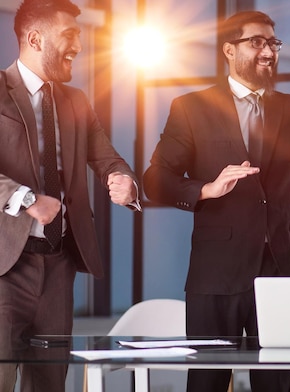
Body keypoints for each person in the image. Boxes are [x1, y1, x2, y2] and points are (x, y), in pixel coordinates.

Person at [143, 10, 290, 392]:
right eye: (256, 42)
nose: (268, 51)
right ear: (229, 49)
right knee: (207, 382)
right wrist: (206, 189)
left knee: (276, 383)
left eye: (272, 43)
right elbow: (156, 181)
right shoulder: (191, 108)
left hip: (283, 270)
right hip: (216, 272)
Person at [0, 0, 141, 390]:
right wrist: (28, 199)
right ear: (34, 38)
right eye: (69, 35)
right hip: (5, 269)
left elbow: (108, 157)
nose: (78, 46)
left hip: (59, 266)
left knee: (49, 383)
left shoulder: (76, 101)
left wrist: (124, 180)